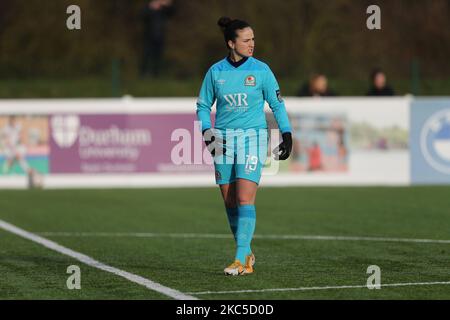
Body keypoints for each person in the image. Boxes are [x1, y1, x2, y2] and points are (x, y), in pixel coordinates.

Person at [196, 17, 293, 276]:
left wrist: (287, 133)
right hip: (223, 141)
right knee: (229, 201)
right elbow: (204, 106)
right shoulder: (216, 72)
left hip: (253, 138)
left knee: (243, 197)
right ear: (231, 42)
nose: (252, 44)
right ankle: (246, 252)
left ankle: (240, 259)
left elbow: (277, 104)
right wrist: (207, 131)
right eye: (246, 40)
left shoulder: (261, 70)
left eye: (253, 39)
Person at [140, 0, 174, 77]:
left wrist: (167, 5)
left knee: (158, 56)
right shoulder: (148, 7)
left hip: (160, 36)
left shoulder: (163, 9)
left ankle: (156, 74)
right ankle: (143, 73)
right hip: (148, 36)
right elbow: (142, 16)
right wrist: (151, 7)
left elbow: (172, 12)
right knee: (146, 55)